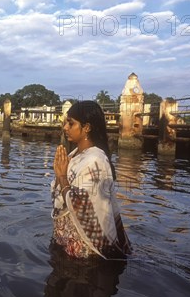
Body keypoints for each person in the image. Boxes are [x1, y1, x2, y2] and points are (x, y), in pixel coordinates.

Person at [52, 101, 132, 259]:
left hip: (89, 252)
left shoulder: (96, 160)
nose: (65, 128)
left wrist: (61, 176)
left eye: (71, 123)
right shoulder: (74, 155)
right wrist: (59, 174)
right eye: (66, 123)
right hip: (67, 243)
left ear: (87, 128)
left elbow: (83, 205)